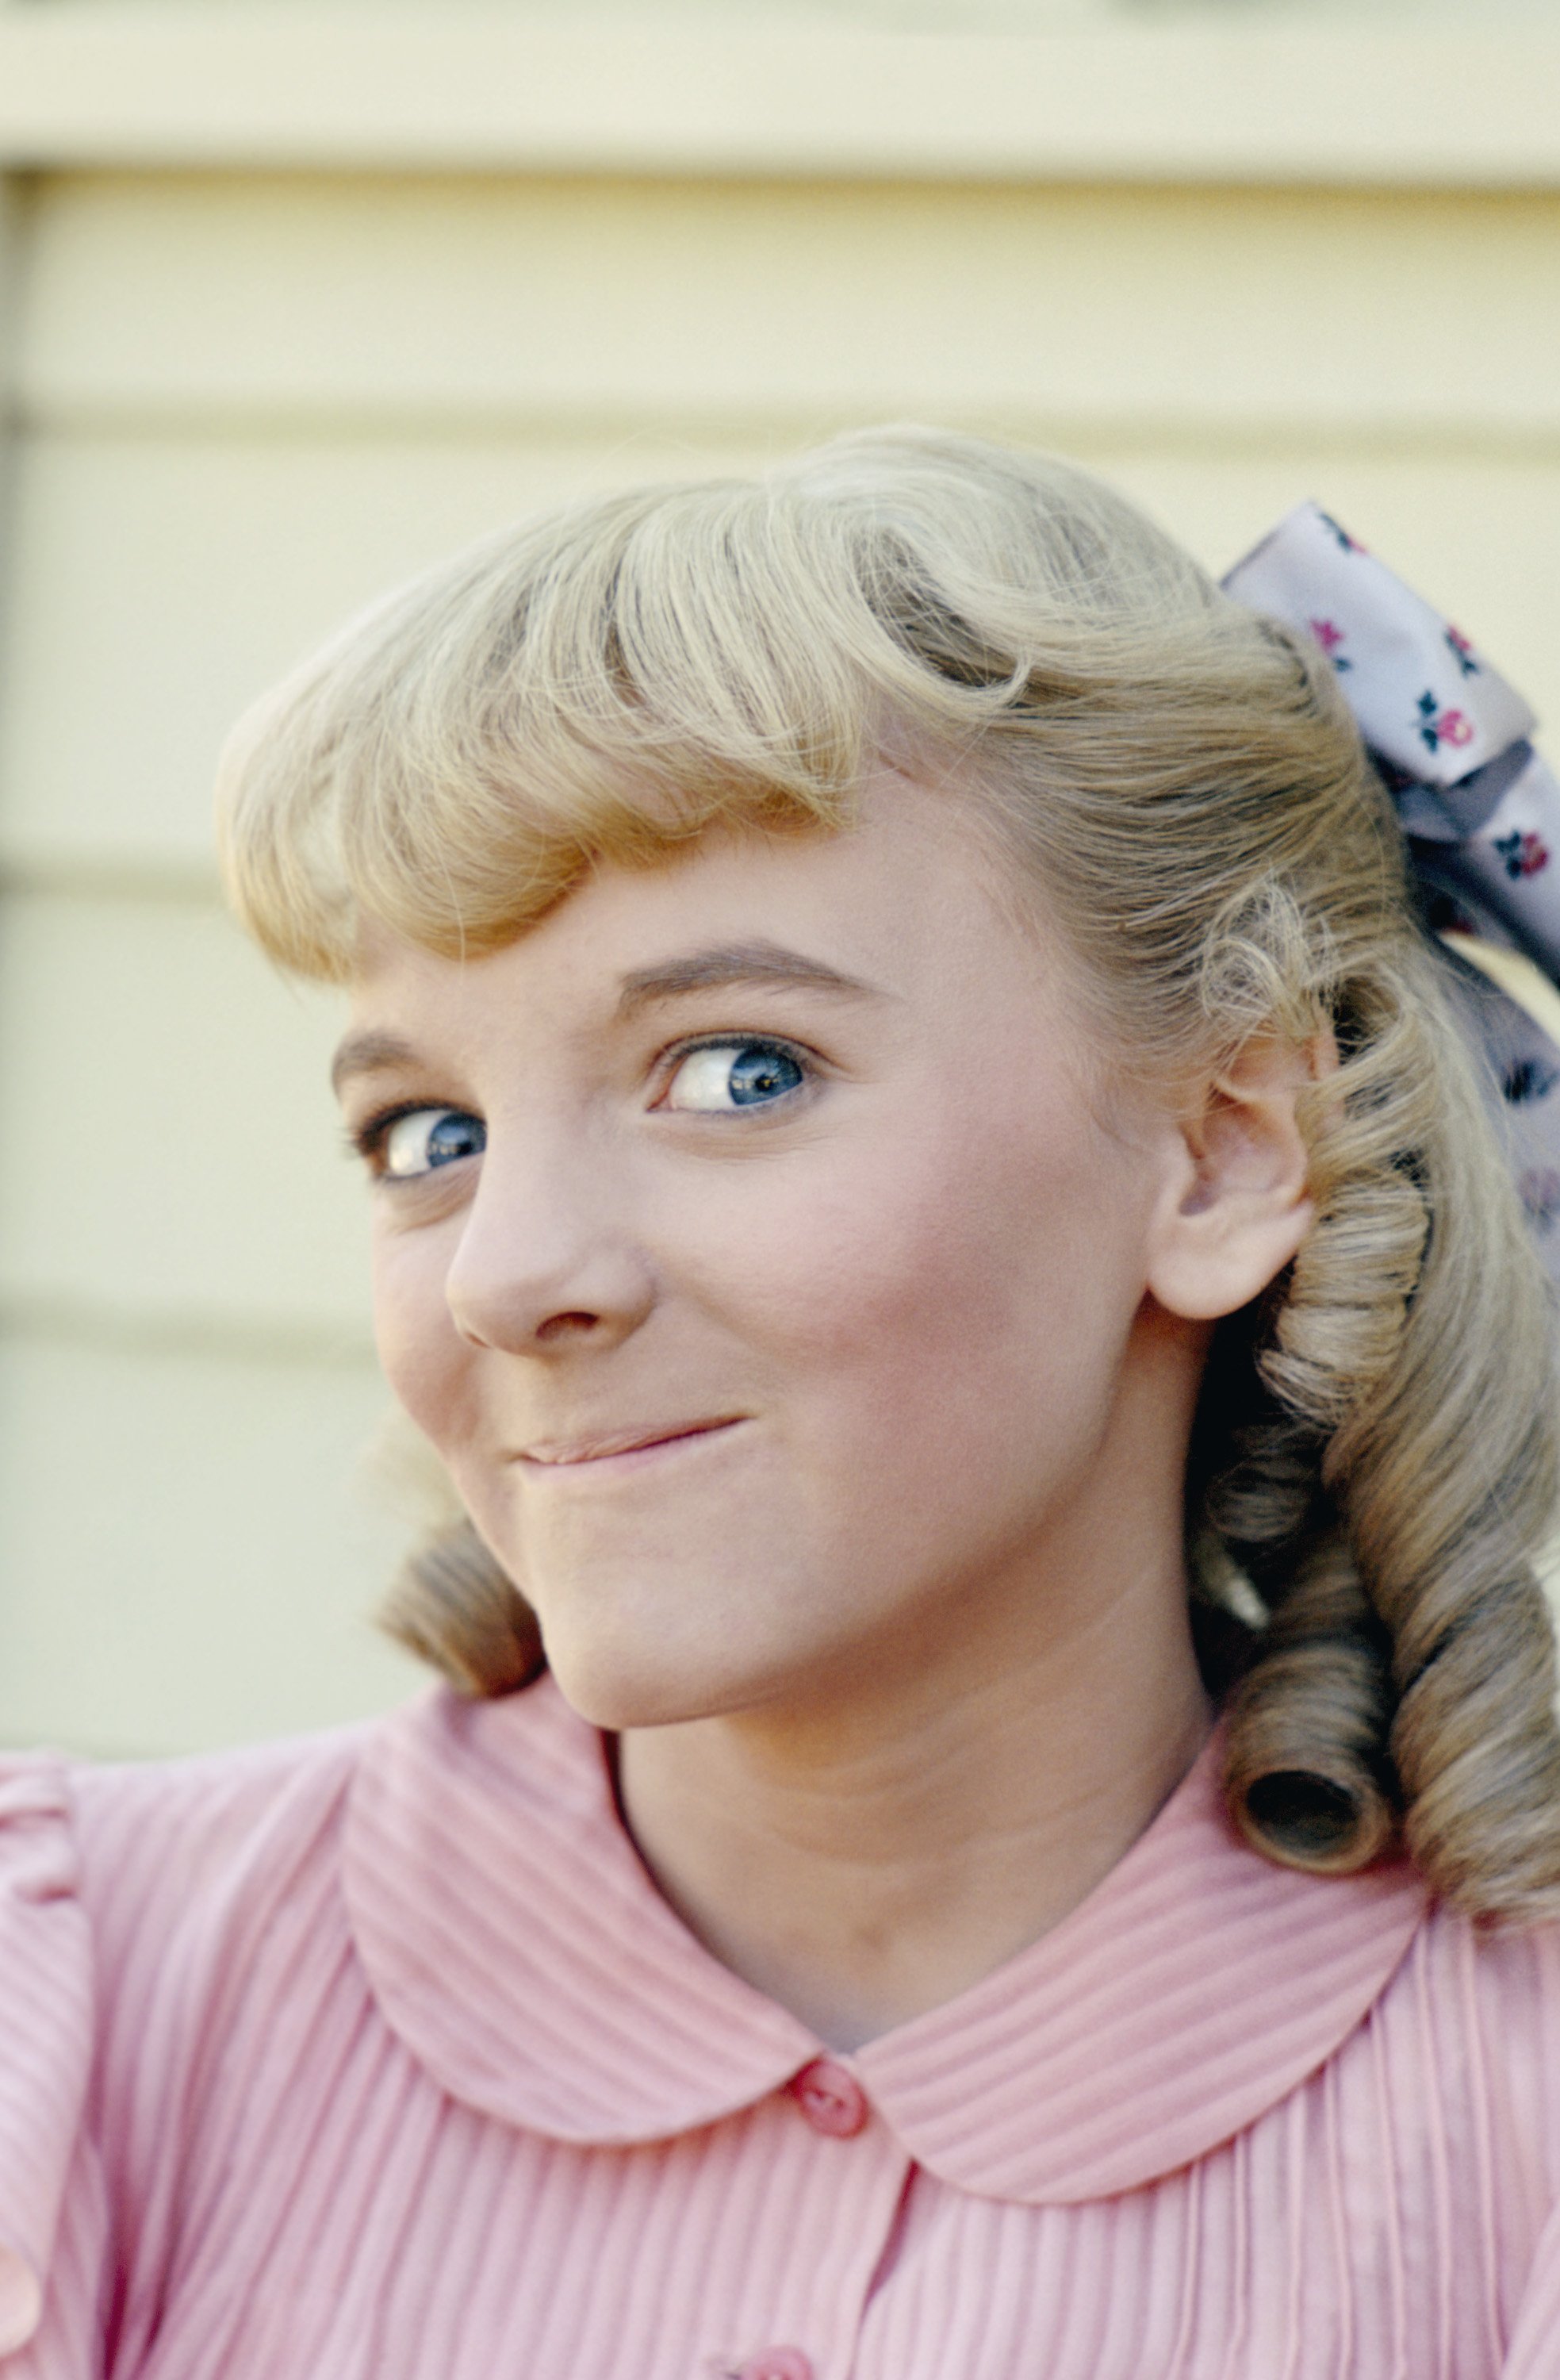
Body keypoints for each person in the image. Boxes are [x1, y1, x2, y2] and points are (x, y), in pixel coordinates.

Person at [5, 426, 1560, 2379]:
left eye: (738, 1070)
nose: (507, 1272)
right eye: (433, 1131)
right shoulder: (66, 2034)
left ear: (1227, 1150)